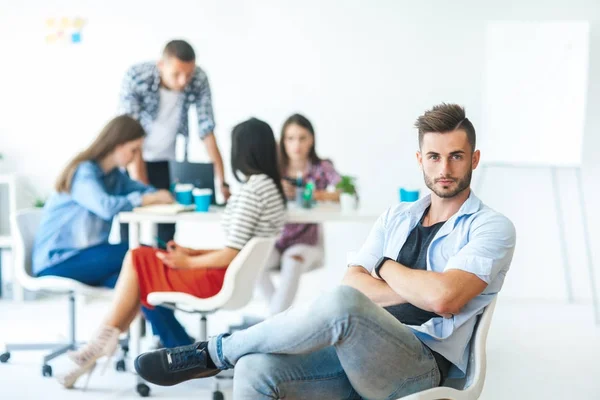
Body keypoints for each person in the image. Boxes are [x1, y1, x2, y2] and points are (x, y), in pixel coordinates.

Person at [133, 103, 517, 400]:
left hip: (420, 364)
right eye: (434, 156)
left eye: (456, 156)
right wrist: (418, 288)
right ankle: (229, 355)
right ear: (421, 160)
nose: (445, 167)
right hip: (356, 354)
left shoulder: (491, 226)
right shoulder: (397, 216)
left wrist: (381, 266)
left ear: (474, 159)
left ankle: (212, 354)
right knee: (254, 369)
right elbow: (354, 279)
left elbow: (445, 297)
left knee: (343, 304)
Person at [57, 117, 287, 390]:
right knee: (141, 263)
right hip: (229, 274)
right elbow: (239, 250)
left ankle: (100, 344)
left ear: (242, 150)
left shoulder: (252, 190)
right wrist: (191, 252)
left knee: (138, 258)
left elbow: (231, 254)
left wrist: (188, 261)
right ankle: (134, 345)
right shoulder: (269, 187)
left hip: (220, 278)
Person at [32, 115, 173, 289]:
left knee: (141, 283)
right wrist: (147, 199)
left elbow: (142, 190)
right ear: (118, 144)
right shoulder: (83, 173)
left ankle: (161, 317)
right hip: (60, 261)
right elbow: (105, 207)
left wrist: (158, 194)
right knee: (141, 254)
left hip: (90, 257)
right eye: (134, 150)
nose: (136, 157)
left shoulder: (114, 176)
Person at [119, 39, 230, 245]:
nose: (183, 81)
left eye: (188, 74)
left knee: (166, 230)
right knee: (132, 225)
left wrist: (221, 180)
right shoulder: (137, 77)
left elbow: (207, 129)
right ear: (161, 65)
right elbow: (129, 135)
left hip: (167, 162)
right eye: (176, 74)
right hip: (134, 159)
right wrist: (144, 190)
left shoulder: (198, 79)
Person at [258, 114, 341, 316]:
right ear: (282, 141)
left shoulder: (322, 167)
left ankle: (272, 323)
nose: (297, 144)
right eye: (290, 138)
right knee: (253, 261)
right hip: (276, 239)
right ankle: (277, 320)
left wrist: (310, 193)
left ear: (311, 140)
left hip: (306, 241)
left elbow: (342, 191)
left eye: (302, 138)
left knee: (292, 260)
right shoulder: (274, 169)